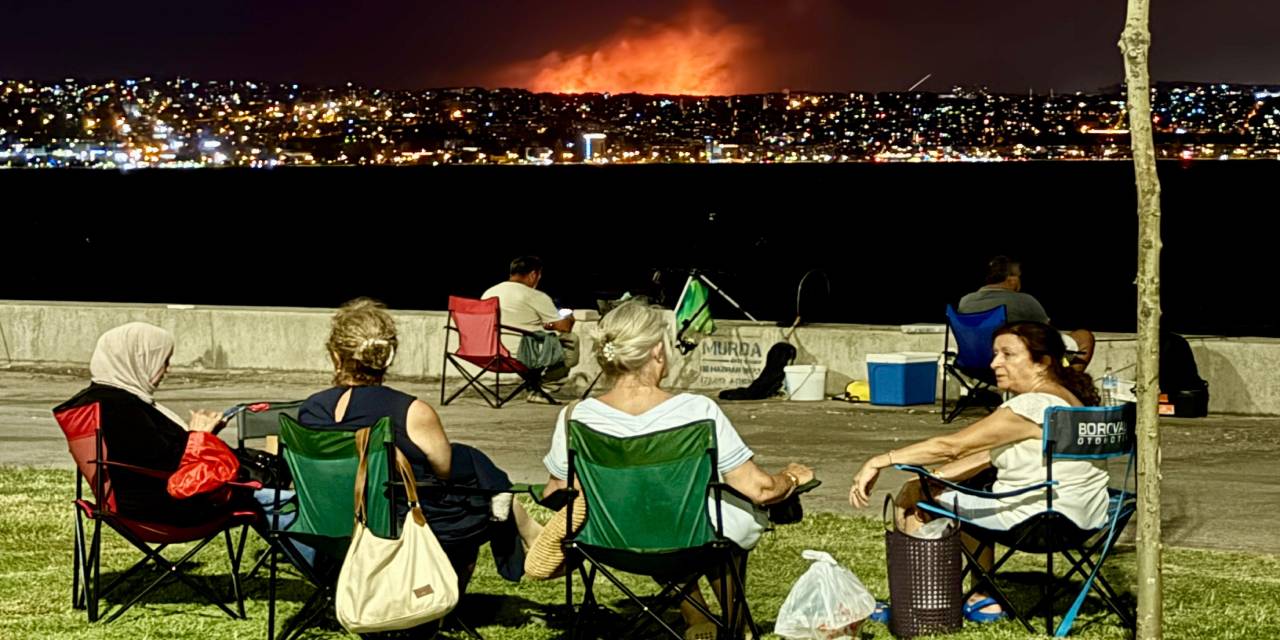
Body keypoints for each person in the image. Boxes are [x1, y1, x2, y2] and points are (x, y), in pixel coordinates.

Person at [531, 301, 815, 640]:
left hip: (608, 545)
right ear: (656, 352)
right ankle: (734, 624)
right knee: (712, 521)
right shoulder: (697, 411)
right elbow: (760, 490)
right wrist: (792, 477)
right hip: (691, 542)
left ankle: (697, 616)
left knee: (660, 514)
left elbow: (555, 491)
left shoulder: (575, 416)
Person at [849, 321, 1106, 623]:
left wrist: (881, 460)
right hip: (1084, 518)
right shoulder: (1069, 400)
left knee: (916, 497)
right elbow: (986, 455)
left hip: (1035, 522)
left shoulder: (1031, 406)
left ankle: (920, 603)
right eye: (995, 354)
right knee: (955, 489)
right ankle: (982, 597)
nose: (994, 363)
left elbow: (951, 446)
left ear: (1043, 362)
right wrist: (932, 478)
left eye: (1008, 354)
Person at [297, 298, 543, 588]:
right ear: (388, 356)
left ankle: (512, 510)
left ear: (336, 355)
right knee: (472, 485)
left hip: (327, 524)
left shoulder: (311, 409)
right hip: (399, 525)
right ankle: (511, 525)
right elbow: (444, 471)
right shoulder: (411, 411)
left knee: (470, 465)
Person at [54, 322, 254, 526]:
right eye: (163, 360)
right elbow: (171, 465)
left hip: (142, 504)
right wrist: (200, 435)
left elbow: (149, 455)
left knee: (261, 484)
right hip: (167, 509)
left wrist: (202, 436)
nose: (167, 369)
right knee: (265, 494)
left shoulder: (101, 400)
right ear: (139, 359)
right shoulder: (121, 407)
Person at [957, 256, 1095, 371]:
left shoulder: (965, 301)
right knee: (1084, 336)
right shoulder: (1024, 301)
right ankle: (1069, 386)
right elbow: (1048, 335)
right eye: (1019, 276)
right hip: (1013, 361)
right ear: (1011, 279)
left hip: (973, 363)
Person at [481, 255, 579, 383]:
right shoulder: (534, 295)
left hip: (488, 352)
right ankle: (547, 385)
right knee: (571, 339)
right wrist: (568, 317)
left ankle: (532, 383)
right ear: (533, 275)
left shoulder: (489, 293)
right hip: (521, 354)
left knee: (543, 340)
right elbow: (564, 327)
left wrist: (546, 326)